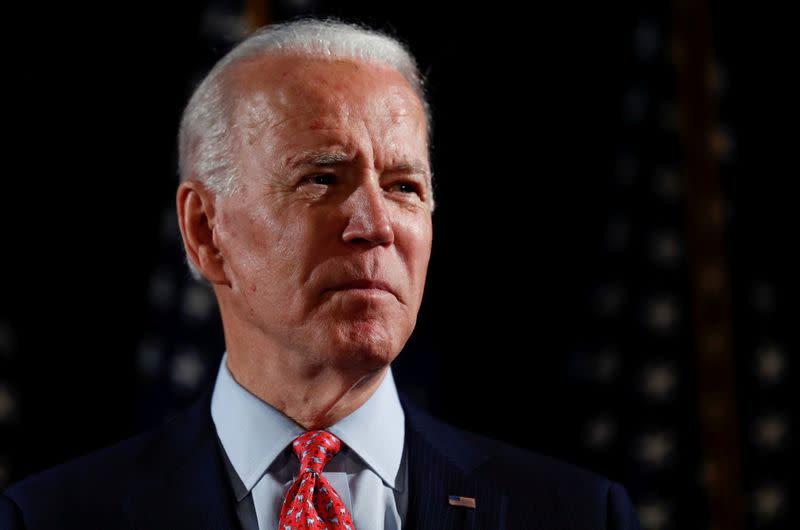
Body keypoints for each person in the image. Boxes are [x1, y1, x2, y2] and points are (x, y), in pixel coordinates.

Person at [0, 18, 641, 530]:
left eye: (404, 186)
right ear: (205, 232)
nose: (376, 223)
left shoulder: (579, 515)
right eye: (321, 179)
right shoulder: (51, 517)